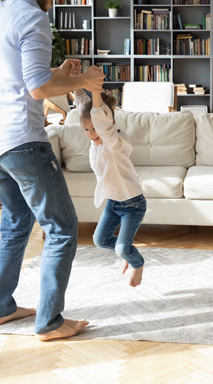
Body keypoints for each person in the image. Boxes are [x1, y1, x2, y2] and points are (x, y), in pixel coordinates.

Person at [0, 0, 105, 341]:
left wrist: (59, 73)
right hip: (22, 141)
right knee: (63, 226)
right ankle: (49, 323)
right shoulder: (34, 18)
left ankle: (1, 308)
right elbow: (37, 89)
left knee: (16, 223)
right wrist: (81, 81)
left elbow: (23, 78)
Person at [72, 86, 147, 287]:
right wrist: (77, 84)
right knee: (100, 240)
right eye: (86, 130)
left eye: (94, 129)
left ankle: (136, 262)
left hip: (133, 204)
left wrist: (96, 91)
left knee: (122, 248)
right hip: (114, 203)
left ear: (109, 123)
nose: (90, 133)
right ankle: (126, 252)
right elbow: (83, 108)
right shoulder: (94, 142)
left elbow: (101, 123)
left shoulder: (114, 143)